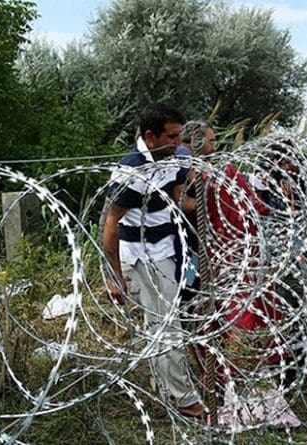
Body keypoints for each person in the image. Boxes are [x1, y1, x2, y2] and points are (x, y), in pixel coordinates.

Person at [102, 102, 203, 418]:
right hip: (142, 257)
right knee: (167, 326)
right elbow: (110, 224)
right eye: (172, 137)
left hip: (167, 250)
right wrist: (115, 276)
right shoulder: (131, 170)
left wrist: (212, 187)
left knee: (164, 323)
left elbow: (176, 198)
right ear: (151, 136)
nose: (178, 143)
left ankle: (165, 385)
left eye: (180, 136)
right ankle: (185, 399)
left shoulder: (170, 158)